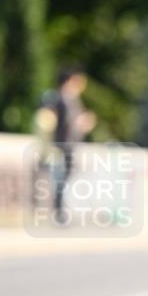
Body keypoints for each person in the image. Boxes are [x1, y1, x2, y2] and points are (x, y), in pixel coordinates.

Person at [45, 68, 97, 223]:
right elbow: (63, 124)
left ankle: (60, 209)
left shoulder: (72, 99)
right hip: (62, 146)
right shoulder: (59, 98)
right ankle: (58, 210)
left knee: (65, 177)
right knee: (60, 178)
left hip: (70, 145)